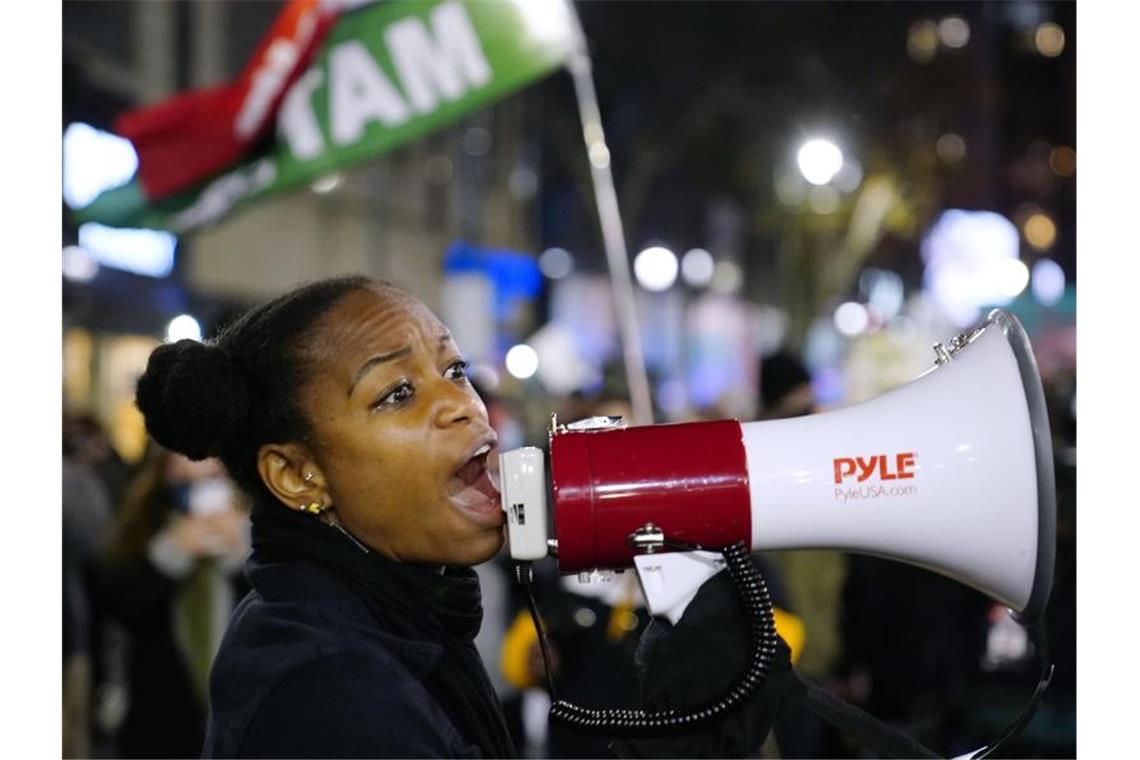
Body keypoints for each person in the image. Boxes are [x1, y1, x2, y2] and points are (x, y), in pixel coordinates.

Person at [133, 276, 790, 758]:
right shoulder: (332, 695)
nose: (463, 406)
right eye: (396, 393)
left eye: (455, 368)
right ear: (299, 474)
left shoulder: (381, 621)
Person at [100, 445, 250, 758]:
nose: (199, 492)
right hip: (161, 722)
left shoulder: (258, 532)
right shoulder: (142, 528)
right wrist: (171, 554)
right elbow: (121, 610)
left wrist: (240, 554)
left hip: (239, 721)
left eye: (211, 479)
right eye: (184, 480)